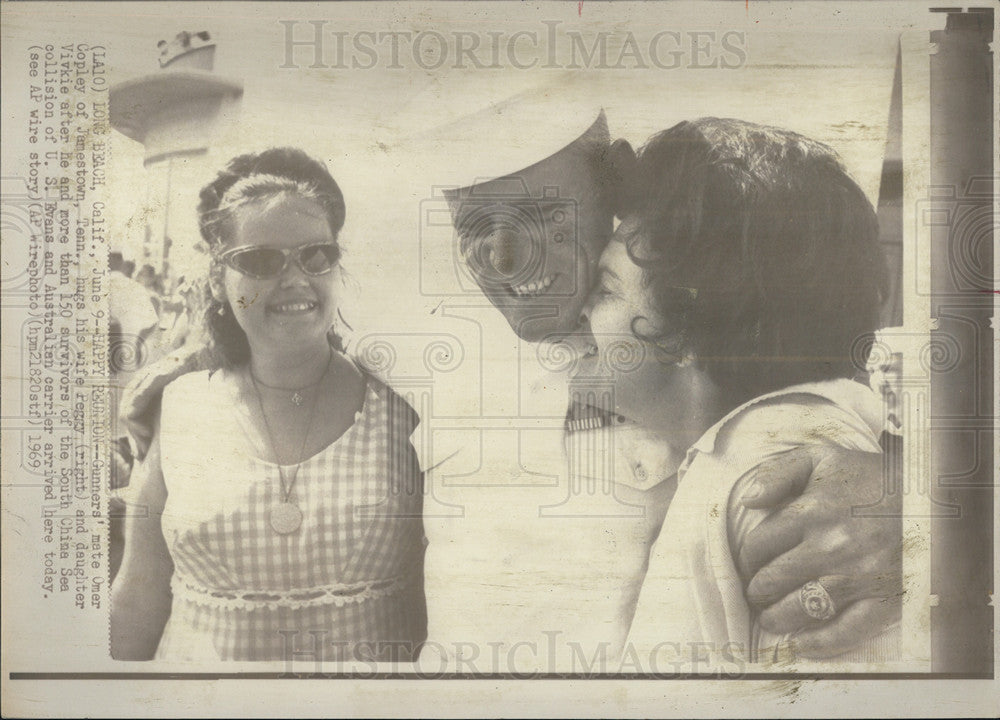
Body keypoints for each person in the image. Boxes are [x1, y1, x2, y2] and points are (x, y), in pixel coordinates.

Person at [568, 118, 900, 666]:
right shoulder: (758, 445)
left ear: (690, 330)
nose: (580, 307)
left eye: (605, 290)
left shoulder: (773, 475)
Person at [110, 147, 427, 662]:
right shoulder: (181, 404)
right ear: (217, 278)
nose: (296, 277)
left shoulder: (400, 405)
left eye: (316, 255)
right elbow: (136, 601)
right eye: (261, 260)